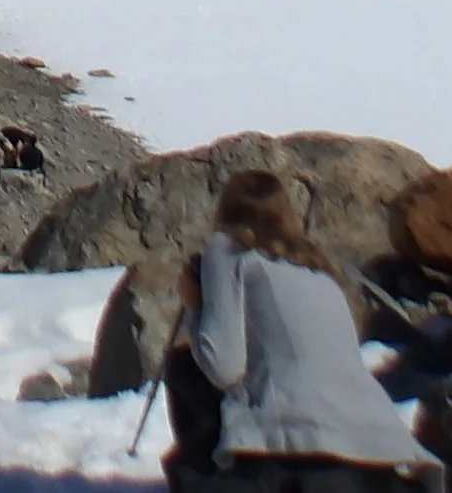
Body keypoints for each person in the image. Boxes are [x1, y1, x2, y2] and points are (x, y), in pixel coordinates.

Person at [164, 167, 435, 487]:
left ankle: (212, 470)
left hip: (292, 438)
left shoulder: (228, 249)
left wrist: (196, 306)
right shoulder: (317, 266)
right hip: (375, 440)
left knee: (183, 364)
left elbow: (224, 367)